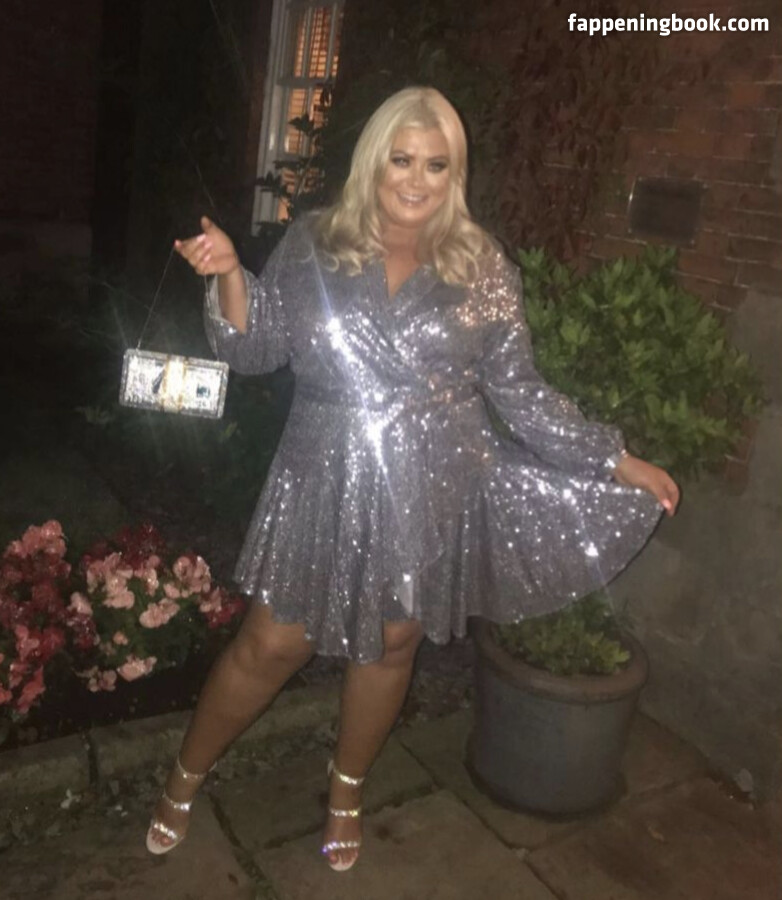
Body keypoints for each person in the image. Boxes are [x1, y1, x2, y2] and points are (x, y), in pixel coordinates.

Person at [148, 86, 679, 871]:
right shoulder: (316, 241)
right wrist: (229, 274)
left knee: (392, 646)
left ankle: (347, 792)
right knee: (270, 643)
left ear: (454, 173)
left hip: (430, 481)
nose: (417, 179)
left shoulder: (481, 264)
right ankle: (184, 777)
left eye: (437, 164)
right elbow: (256, 349)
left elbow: (519, 391)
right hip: (322, 472)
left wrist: (613, 457)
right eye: (402, 159)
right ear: (375, 160)